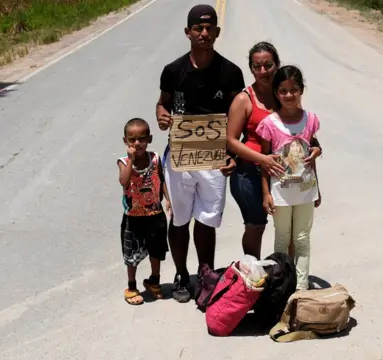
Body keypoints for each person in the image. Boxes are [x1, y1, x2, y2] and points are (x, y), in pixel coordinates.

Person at [155, 4, 245, 303]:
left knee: (207, 218)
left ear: (217, 32)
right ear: (188, 32)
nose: (204, 33)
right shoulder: (173, 70)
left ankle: (205, 274)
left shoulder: (231, 72)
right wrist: (162, 116)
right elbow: (163, 103)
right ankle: (181, 274)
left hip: (214, 158)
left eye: (209, 29)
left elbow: (239, 116)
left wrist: (234, 152)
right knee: (180, 218)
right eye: (198, 28)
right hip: (181, 156)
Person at [227, 42, 321, 259]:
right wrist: (263, 159)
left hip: (287, 174)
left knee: (288, 229)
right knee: (256, 225)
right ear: (250, 69)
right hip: (249, 172)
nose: (263, 71)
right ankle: (253, 276)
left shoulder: (285, 94)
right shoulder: (244, 99)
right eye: (257, 66)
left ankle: (287, 275)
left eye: (268, 65)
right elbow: (231, 141)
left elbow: (305, 133)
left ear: (277, 65)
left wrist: (317, 148)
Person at [256, 65, 322, 291]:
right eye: (283, 90)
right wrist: (265, 193)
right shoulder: (270, 124)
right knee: (282, 240)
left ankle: (301, 289)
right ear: (276, 93)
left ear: (301, 90)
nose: (289, 95)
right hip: (280, 194)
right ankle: (281, 287)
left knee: (302, 239)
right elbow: (265, 162)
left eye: (294, 90)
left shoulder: (310, 120)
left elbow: (311, 156)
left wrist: (318, 189)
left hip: (306, 192)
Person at [117, 118, 171, 305]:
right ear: (125, 141)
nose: (137, 143)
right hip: (133, 217)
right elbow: (124, 181)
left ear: (149, 139)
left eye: (142, 139)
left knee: (156, 250)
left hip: (155, 215)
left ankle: (154, 280)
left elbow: (161, 180)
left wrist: (169, 200)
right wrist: (131, 161)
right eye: (132, 140)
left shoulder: (155, 158)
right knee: (131, 253)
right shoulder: (123, 162)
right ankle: (131, 286)